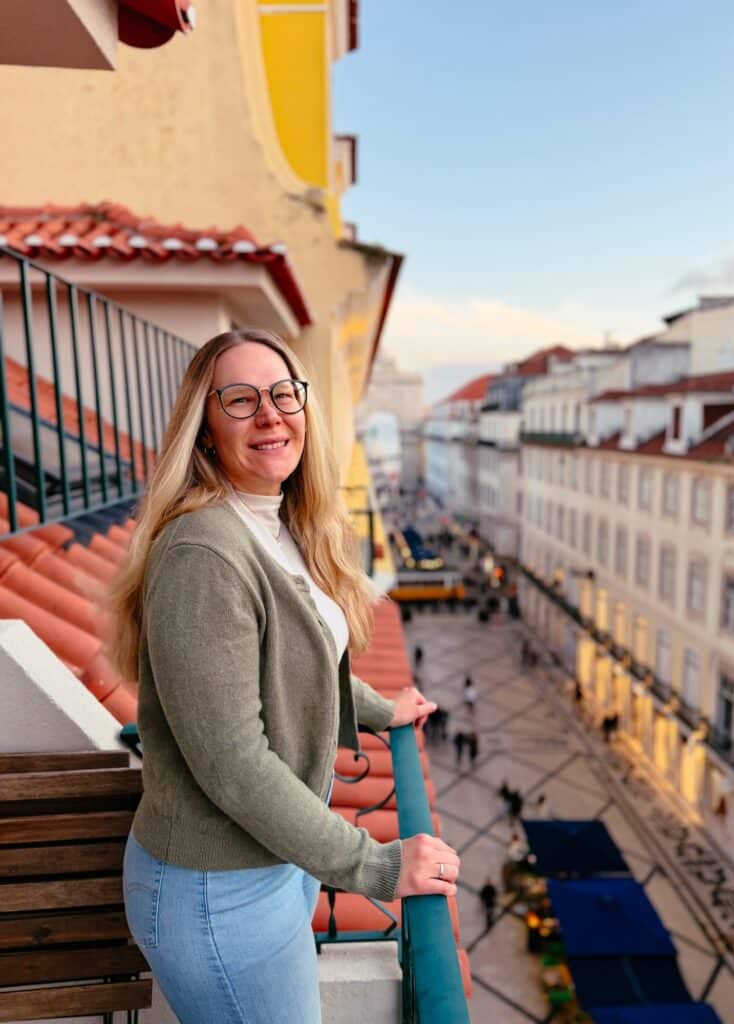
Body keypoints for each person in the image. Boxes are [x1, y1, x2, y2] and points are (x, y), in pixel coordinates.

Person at [110, 329, 461, 1024]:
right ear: (204, 429)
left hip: (271, 863)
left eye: (282, 393)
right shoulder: (204, 552)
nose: (269, 414)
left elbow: (300, 661)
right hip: (217, 892)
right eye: (239, 400)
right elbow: (235, 766)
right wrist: (378, 867)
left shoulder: (277, 524)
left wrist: (377, 709)